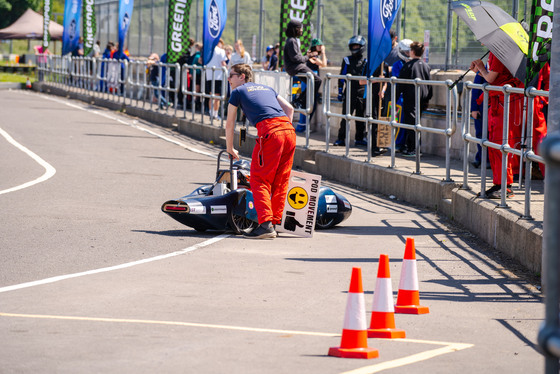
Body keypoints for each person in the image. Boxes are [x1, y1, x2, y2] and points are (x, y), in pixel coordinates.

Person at [226, 63, 296, 239]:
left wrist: (229, 147)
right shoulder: (267, 88)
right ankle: (275, 222)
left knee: (258, 178)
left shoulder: (238, 92)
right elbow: (290, 109)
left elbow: (229, 122)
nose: (228, 79)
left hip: (271, 132)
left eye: (231, 75)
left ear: (242, 77)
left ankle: (265, 225)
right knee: (280, 179)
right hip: (289, 131)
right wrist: (284, 128)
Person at [471, 51, 523, 198]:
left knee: (501, 143)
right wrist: (481, 71)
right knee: (496, 144)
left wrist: (481, 68)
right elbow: (493, 78)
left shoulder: (500, 52)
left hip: (504, 104)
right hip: (500, 103)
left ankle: (505, 185)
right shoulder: (496, 52)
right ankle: (499, 183)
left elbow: (492, 78)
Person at [396, 41, 432, 157]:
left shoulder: (408, 65)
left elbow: (400, 84)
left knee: (411, 124)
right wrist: (427, 99)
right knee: (416, 123)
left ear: (412, 51)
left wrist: (395, 97)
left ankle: (414, 149)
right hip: (422, 99)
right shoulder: (425, 66)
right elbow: (429, 84)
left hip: (410, 99)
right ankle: (410, 147)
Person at [333, 35, 368, 147]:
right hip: (349, 92)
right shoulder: (347, 60)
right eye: (353, 46)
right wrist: (340, 91)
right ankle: (341, 138)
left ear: (362, 47)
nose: (355, 47)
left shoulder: (366, 61)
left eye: (357, 45)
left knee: (361, 117)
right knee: (345, 116)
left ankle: (359, 138)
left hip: (362, 92)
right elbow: (342, 76)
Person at [283, 20, 322, 113]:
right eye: (300, 28)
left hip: (294, 67)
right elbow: (296, 59)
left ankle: (299, 101)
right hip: (296, 67)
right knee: (317, 80)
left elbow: (297, 57)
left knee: (312, 83)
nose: (301, 30)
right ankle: (300, 101)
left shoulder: (291, 40)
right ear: (294, 29)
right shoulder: (292, 41)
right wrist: (309, 56)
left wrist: (306, 56)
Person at [390, 39, 412, 152]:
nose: (409, 54)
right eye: (407, 52)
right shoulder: (397, 65)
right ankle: (399, 143)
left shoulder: (414, 64)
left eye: (410, 51)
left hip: (411, 96)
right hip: (401, 98)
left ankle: (409, 144)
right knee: (400, 121)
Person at [205, 39, 228, 119]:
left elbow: (201, 61)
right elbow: (223, 63)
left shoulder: (207, 50)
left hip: (209, 75)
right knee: (217, 97)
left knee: (211, 95)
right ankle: (215, 114)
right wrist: (227, 69)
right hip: (218, 76)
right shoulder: (221, 51)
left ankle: (212, 113)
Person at [470, 72, 488, 169]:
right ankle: (481, 158)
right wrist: (474, 108)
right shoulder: (484, 68)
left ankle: (483, 159)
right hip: (482, 107)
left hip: (493, 106)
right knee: (481, 134)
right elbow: (476, 89)